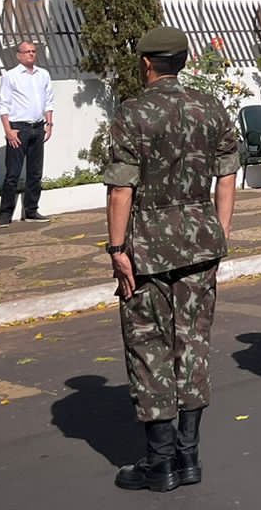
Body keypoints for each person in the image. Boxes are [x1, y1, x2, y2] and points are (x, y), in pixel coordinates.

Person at [102, 26, 239, 493]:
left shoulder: (132, 114)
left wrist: (117, 248)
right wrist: (220, 229)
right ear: (183, 61)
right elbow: (227, 174)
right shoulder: (210, 107)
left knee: (149, 346)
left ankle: (160, 462)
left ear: (147, 63)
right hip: (200, 239)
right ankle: (189, 456)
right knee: (192, 342)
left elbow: (122, 187)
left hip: (147, 244)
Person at [0, 40, 55, 224]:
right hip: (18, 128)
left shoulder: (43, 75)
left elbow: (48, 101)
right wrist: (8, 130)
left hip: (37, 127)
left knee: (35, 172)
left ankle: (31, 210)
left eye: (33, 51)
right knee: (13, 173)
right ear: (19, 55)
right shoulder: (10, 76)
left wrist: (49, 124)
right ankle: (5, 215)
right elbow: (3, 105)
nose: (31, 54)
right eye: (27, 51)